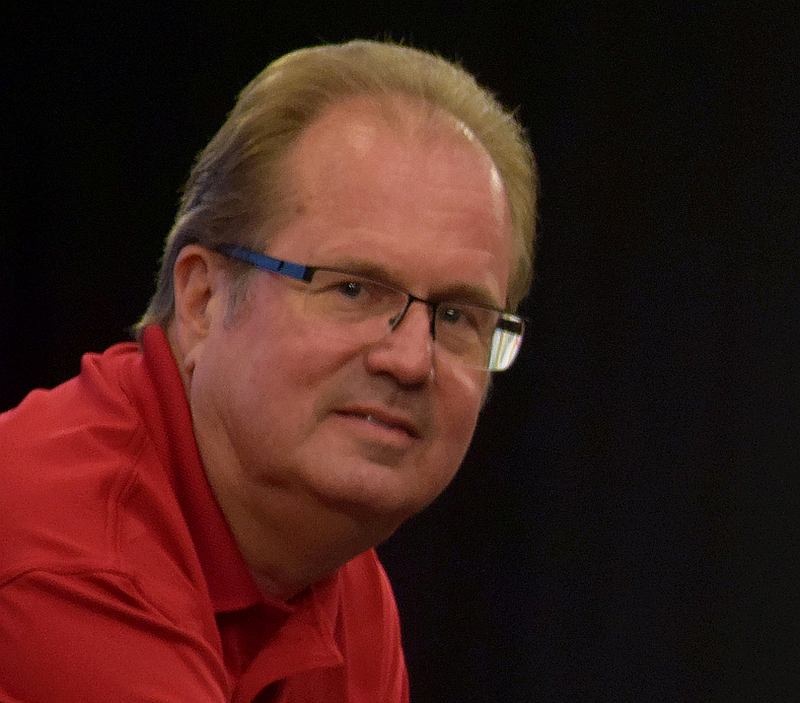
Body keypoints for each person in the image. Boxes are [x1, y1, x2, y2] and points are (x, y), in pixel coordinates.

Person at [0, 39, 537, 701]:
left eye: (457, 315)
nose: (409, 359)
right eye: (352, 289)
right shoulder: (68, 555)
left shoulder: (345, 586)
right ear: (202, 300)